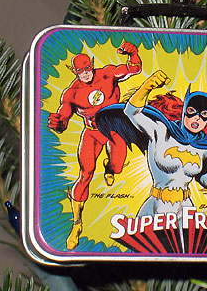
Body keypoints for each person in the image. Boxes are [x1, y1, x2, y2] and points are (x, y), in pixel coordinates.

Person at [95, 70, 207, 251]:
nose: (197, 118)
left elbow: (203, 174)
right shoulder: (160, 131)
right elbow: (131, 111)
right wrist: (147, 86)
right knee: (147, 253)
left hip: (185, 208)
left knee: (188, 253)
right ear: (184, 110)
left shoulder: (204, 147)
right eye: (192, 111)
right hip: (157, 206)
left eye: (204, 114)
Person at [48, 42, 142, 250]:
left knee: (117, 166)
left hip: (114, 129)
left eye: (87, 68)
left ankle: (109, 168)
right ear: (74, 71)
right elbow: (64, 117)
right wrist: (58, 123)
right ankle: (77, 224)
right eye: (80, 71)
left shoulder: (107, 74)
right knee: (85, 174)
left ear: (92, 65)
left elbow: (134, 69)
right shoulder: (71, 93)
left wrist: (133, 53)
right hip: (92, 132)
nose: (85, 73)